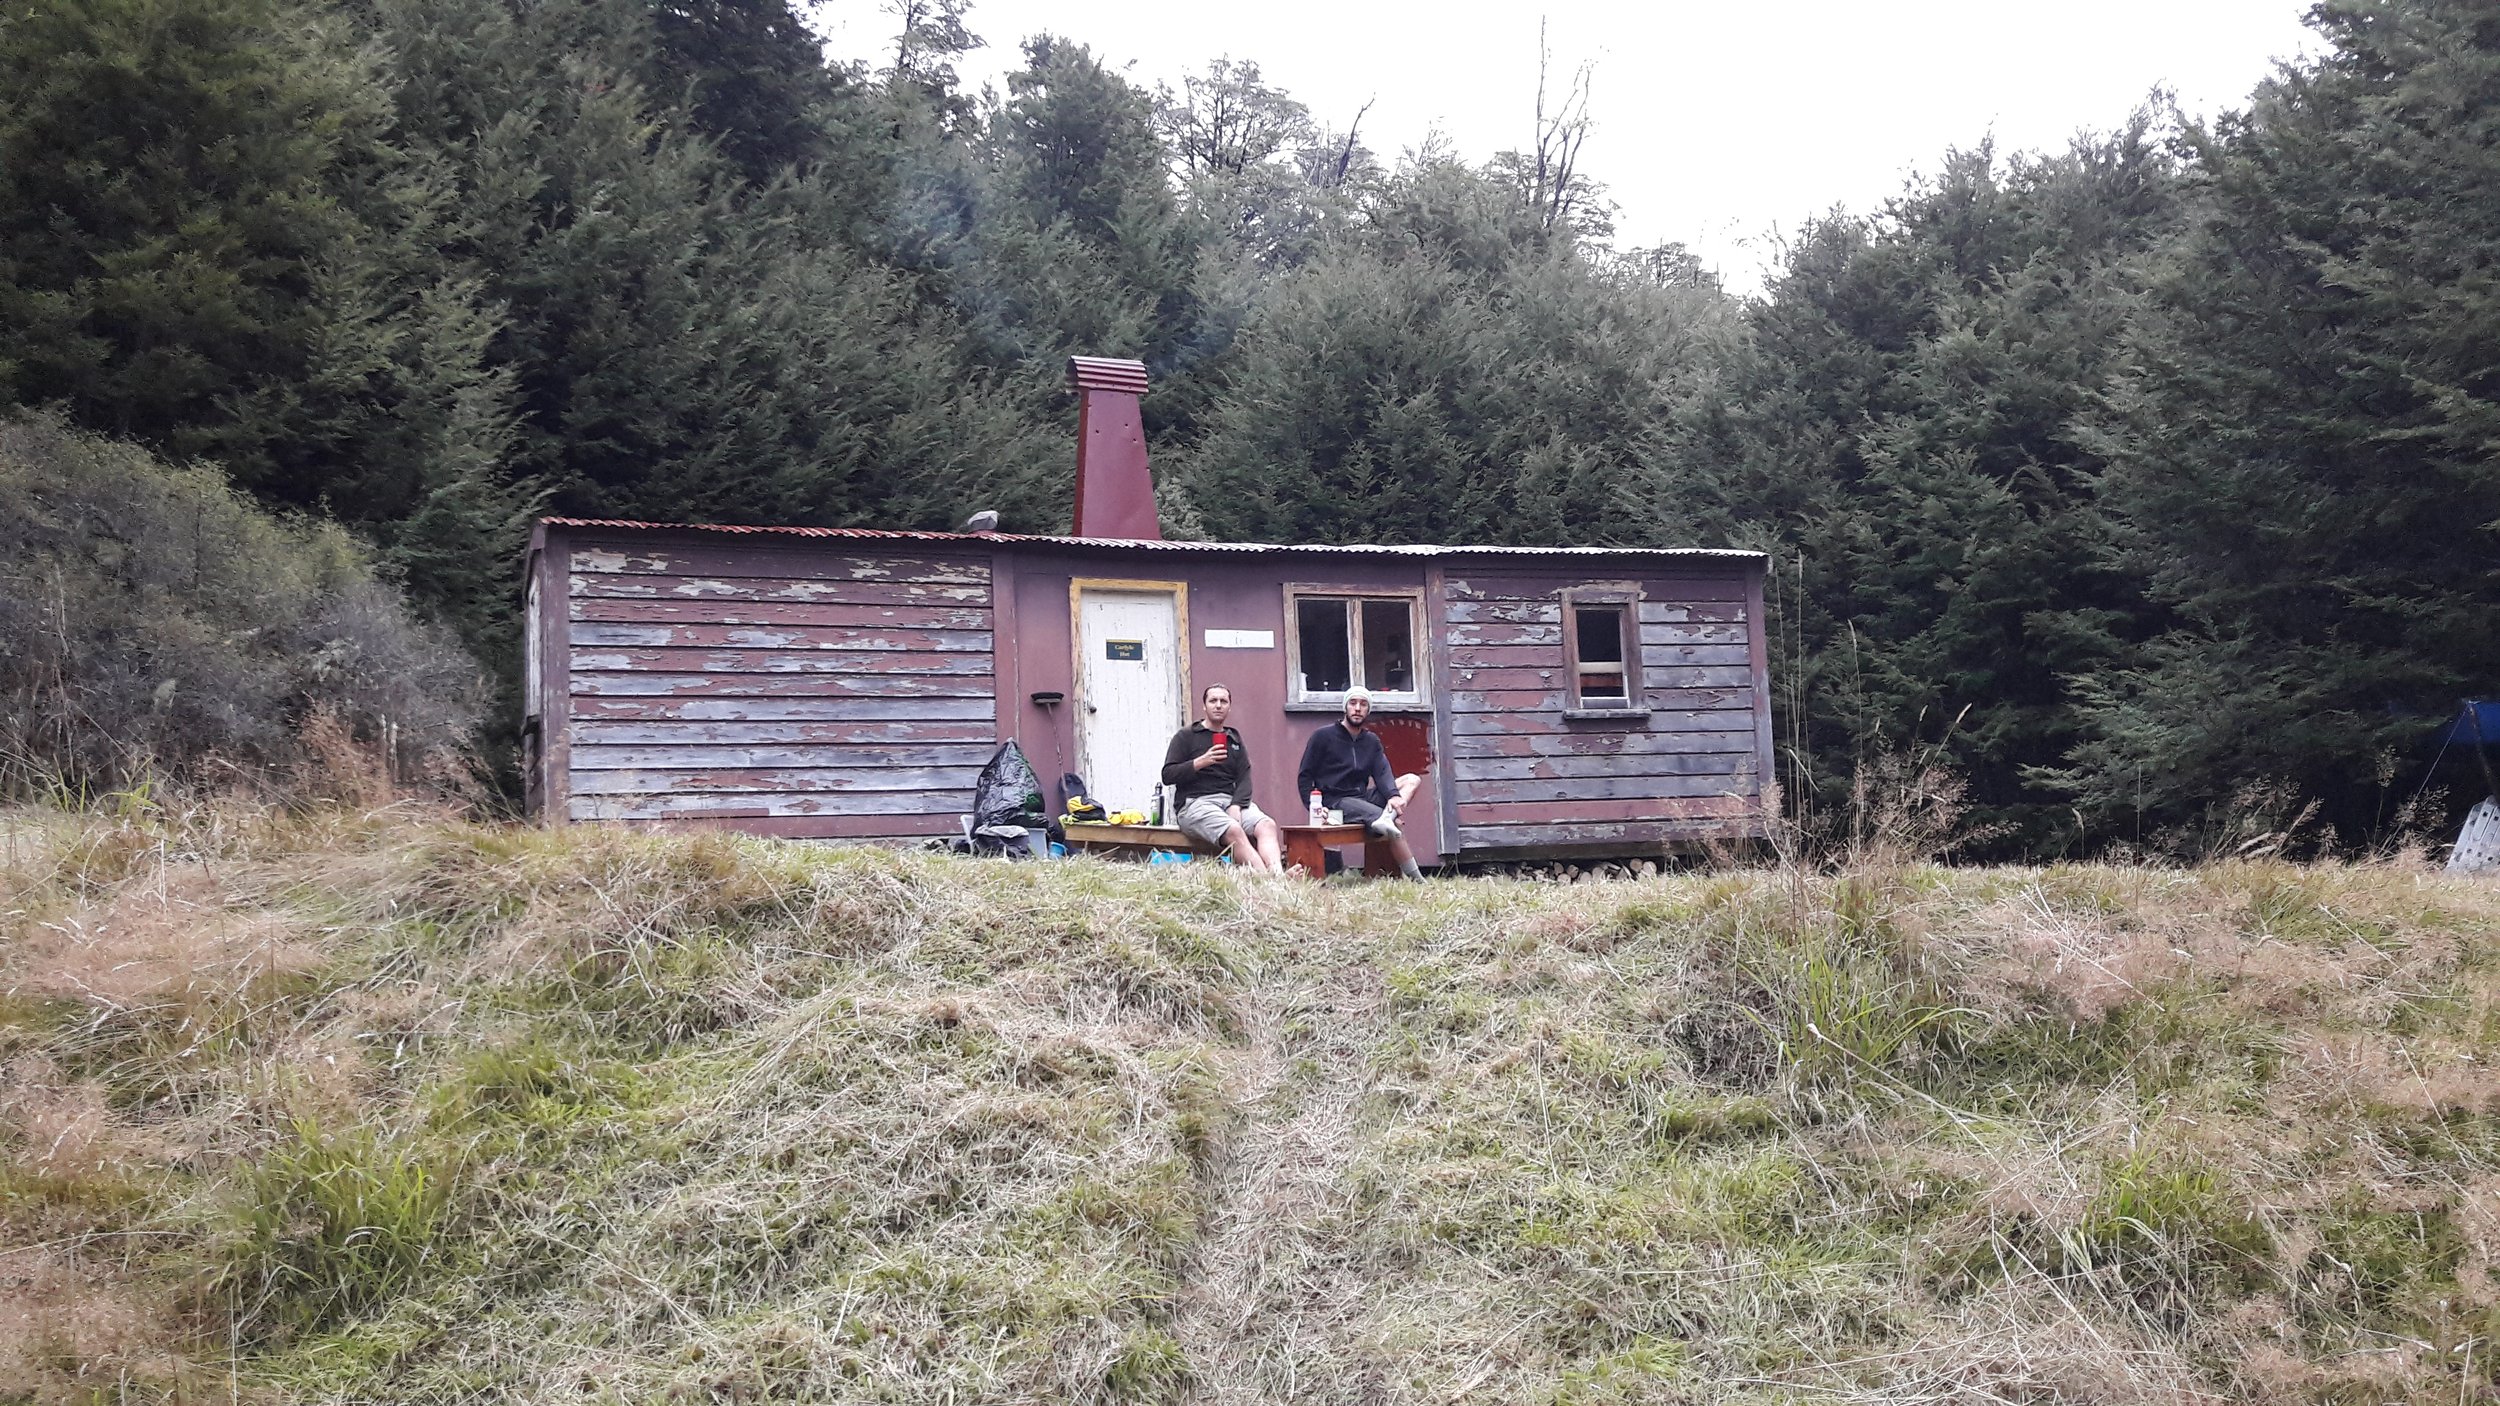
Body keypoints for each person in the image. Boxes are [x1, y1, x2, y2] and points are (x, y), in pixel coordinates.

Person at [1296, 685, 1425, 879]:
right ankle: (1417, 880)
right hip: (1336, 801)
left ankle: (1387, 817)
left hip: (1362, 797)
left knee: (1412, 780)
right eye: (1353, 703)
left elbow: (1382, 772)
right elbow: (1305, 776)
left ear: (1368, 710)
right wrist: (1314, 807)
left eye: (1363, 704)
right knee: (1394, 824)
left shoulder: (1371, 741)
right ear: (1345, 707)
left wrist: (1393, 796)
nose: (1357, 708)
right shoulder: (1322, 736)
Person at [1160, 683, 1284, 873]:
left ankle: (1278, 875)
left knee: (1267, 825)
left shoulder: (1233, 737)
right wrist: (1200, 762)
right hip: (1194, 804)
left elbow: (1244, 776)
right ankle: (1268, 881)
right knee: (1233, 829)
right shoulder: (1186, 736)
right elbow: (1167, 775)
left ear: (1229, 707)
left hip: (1229, 802)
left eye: (1223, 701)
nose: (1218, 705)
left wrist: (1236, 805)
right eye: (1213, 701)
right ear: (1204, 706)